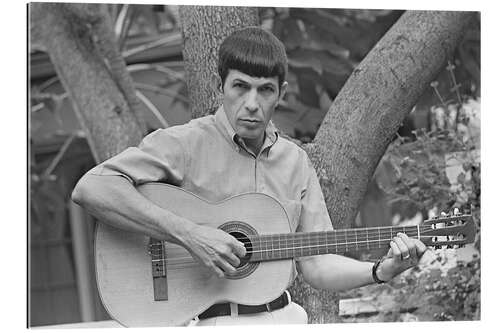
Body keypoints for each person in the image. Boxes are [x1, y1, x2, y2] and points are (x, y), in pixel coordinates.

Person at [72, 26, 427, 326]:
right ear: (221, 86)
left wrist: (380, 271)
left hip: (285, 317)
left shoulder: (295, 162)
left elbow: (317, 265)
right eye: (241, 87)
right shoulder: (184, 144)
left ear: (281, 95)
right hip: (208, 321)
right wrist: (189, 234)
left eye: (265, 90)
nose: (252, 103)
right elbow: (91, 189)